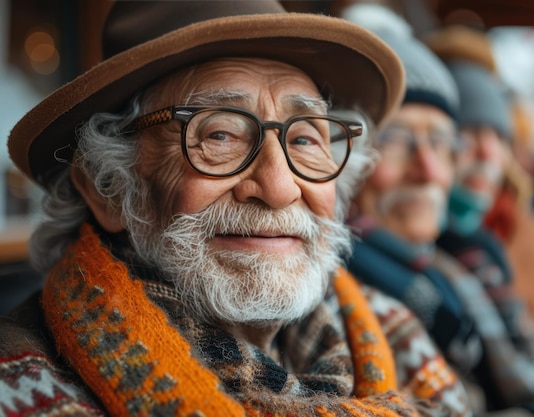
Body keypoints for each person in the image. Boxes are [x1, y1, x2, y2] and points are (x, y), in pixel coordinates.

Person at [0, 1, 459, 416]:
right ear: (107, 190)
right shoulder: (20, 385)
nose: (279, 187)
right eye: (219, 135)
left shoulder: (395, 332)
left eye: (304, 139)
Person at [340, 7, 534, 417]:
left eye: (443, 144)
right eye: (397, 140)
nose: (429, 170)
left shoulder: (450, 276)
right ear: (343, 160)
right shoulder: (340, 306)